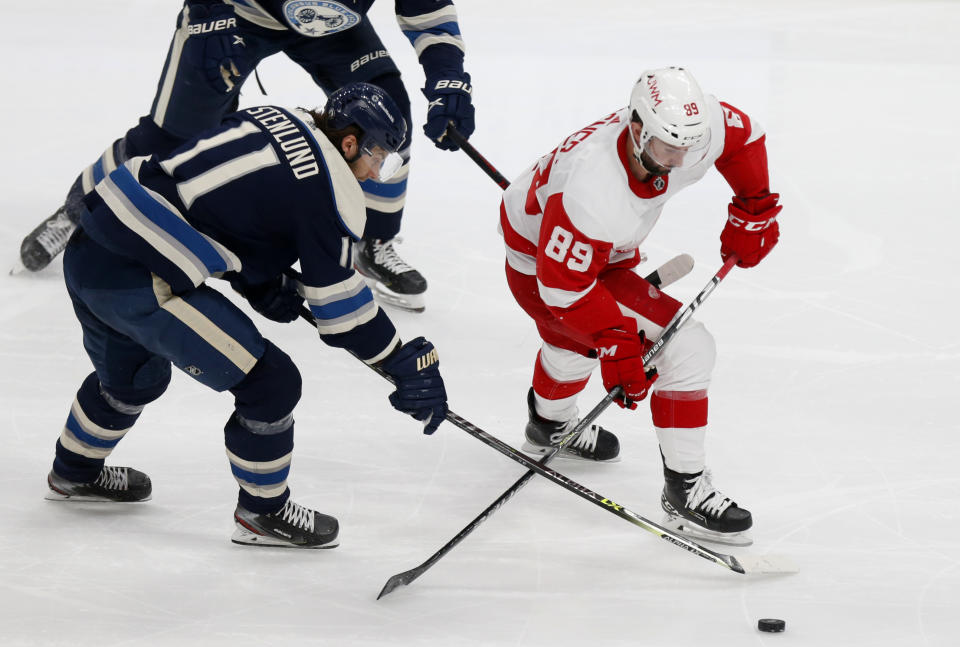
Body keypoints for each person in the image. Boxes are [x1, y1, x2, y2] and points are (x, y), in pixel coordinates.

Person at [45, 82, 450, 549]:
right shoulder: (333, 190)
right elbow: (341, 309)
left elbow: (223, 201)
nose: (377, 174)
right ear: (350, 142)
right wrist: (398, 359)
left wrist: (259, 278)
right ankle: (264, 513)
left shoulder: (275, 115)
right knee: (271, 383)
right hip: (139, 276)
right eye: (377, 157)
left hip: (90, 245)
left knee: (131, 381)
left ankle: (73, 472)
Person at [19, 0, 476, 312]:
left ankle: (374, 241)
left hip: (331, 22)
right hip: (239, 12)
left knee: (387, 116)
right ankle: (84, 205)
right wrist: (209, 8)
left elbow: (426, 6)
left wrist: (449, 76)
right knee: (169, 139)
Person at [498, 67, 781, 546]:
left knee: (571, 346)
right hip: (543, 270)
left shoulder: (687, 129)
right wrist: (615, 343)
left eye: (690, 147)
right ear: (635, 129)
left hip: (591, 246)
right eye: (668, 149)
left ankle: (548, 424)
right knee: (688, 347)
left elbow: (744, 136)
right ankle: (685, 492)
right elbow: (563, 291)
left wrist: (754, 208)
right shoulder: (592, 186)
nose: (681, 159)